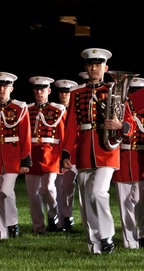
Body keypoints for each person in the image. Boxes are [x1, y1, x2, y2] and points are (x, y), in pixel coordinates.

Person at [61, 47, 134, 255]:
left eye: (98, 65)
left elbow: (130, 120)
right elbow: (71, 126)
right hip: (84, 150)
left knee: (97, 193)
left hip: (107, 149)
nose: (94, 68)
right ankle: (94, 243)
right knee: (85, 200)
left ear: (105, 67)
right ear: (86, 68)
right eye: (90, 65)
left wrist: (121, 126)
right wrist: (67, 153)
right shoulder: (77, 94)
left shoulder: (115, 91)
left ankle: (107, 235)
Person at [114, 80, 144, 248]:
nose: (134, 95)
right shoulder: (119, 113)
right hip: (123, 159)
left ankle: (143, 235)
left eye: (138, 92)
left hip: (143, 160)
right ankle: (129, 239)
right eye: (131, 91)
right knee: (124, 203)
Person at [0, 72, 32, 240]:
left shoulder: (20, 108)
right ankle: (0, 231)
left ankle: (12, 223)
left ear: (11, 88)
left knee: (6, 191)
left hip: (13, 155)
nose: (1, 89)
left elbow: (25, 135)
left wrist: (25, 159)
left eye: (5, 86)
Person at [25, 76, 65, 234]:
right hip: (32, 154)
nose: (39, 92)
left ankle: (53, 215)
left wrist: (63, 158)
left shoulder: (57, 110)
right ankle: (38, 227)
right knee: (33, 194)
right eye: (37, 90)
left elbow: (62, 135)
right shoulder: (27, 110)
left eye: (42, 89)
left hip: (51, 154)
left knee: (48, 188)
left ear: (49, 91)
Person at [53, 78, 79, 231]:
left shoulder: (76, 110)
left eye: (67, 92)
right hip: (57, 154)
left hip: (75, 154)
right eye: (62, 92)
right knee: (58, 186)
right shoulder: (54, 110)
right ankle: (61, 218)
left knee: (68, 186)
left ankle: (67, 216)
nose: (64, 95)